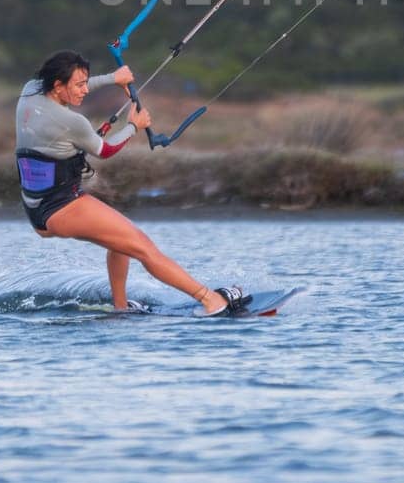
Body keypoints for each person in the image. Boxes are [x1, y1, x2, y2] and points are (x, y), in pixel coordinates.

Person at [15, 49, 246, 316]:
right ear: (58, 86)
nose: (84, 91)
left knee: (120, 242)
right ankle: (210, 301)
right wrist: (134, 125)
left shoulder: (30, 91)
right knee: (143, 247)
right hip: (61, 206)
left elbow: (77, 85)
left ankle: (120, 308)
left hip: (37, 207)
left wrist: (114, 78)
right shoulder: (70, 121)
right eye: (78, 86)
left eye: (84, 83)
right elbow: (105, 150)